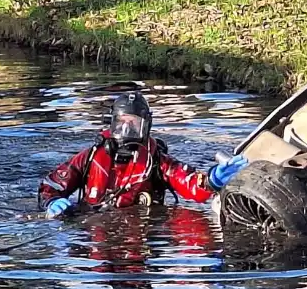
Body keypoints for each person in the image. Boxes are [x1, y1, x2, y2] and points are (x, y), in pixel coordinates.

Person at [38, 92, 249, 218]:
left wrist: (211, 181)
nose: (126, 130)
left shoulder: (156, 160)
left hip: (141, 230)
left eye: (134, 124)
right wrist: (52, 203)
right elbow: (51, 185)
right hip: (91, 226)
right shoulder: (91, 156)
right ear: (112, 123)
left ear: (146, 126)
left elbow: (188, 181)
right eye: (122, 123)